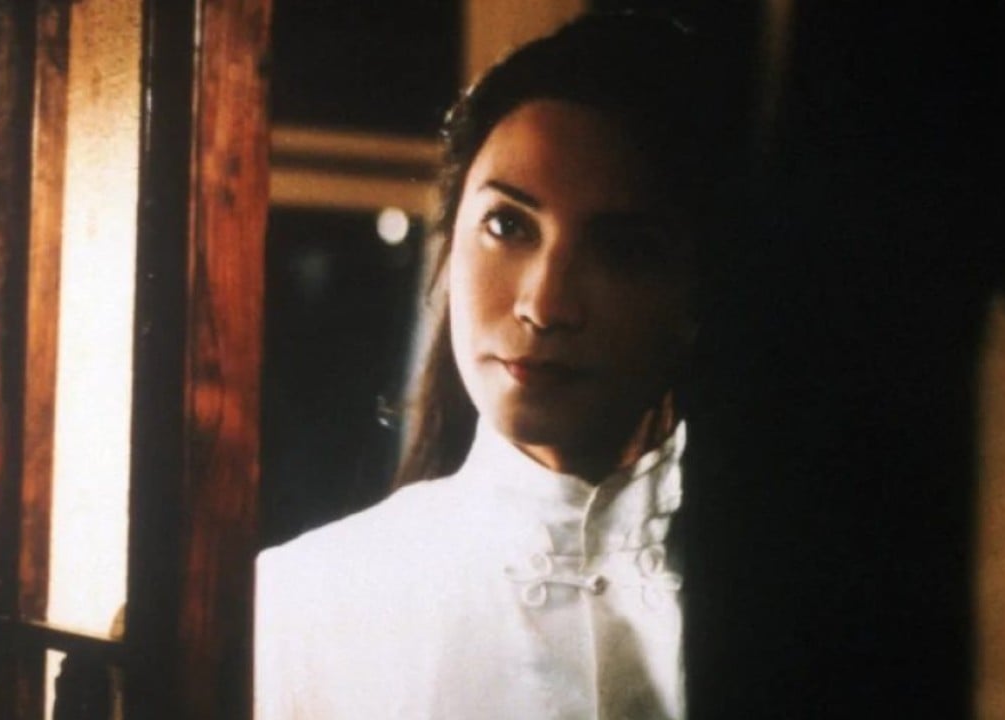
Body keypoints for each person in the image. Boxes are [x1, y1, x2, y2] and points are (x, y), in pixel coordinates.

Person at [255, 13, 740, 719]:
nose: (544, 304)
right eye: (508, 225)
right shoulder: (307, 603)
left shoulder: (796, 611)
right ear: (450, 239)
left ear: (696, 294)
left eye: (622, 250)